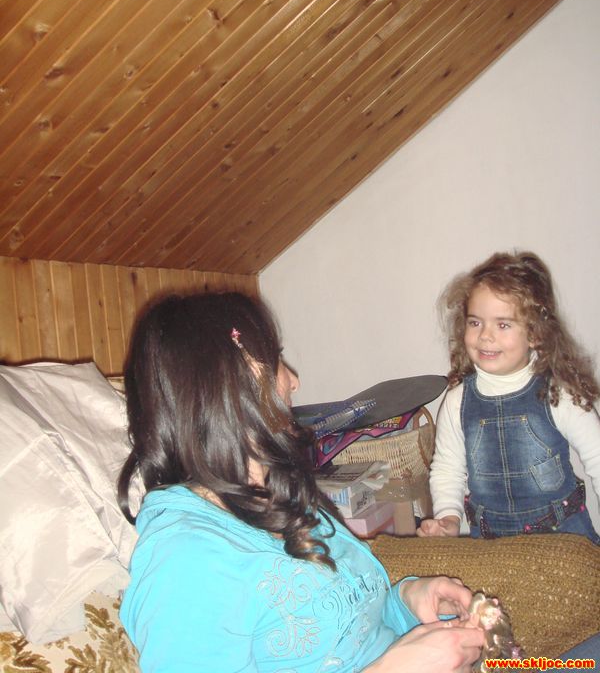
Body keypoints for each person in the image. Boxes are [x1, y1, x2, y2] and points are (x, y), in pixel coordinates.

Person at [118, 291, 484, 672]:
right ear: (231, 385)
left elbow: (354, 635)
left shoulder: (286, 499)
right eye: (276, 360)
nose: (294, 381)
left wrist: (408, 601)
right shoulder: (184, 562)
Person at [418, 251, 600, 542]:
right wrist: (448, 517)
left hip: (564, 540)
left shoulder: (559, 393)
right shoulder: (457, 401)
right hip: (491, 545)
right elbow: (447, 468)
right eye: (475, 322)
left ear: (535, 334)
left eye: (502, 325)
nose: (485, 336)